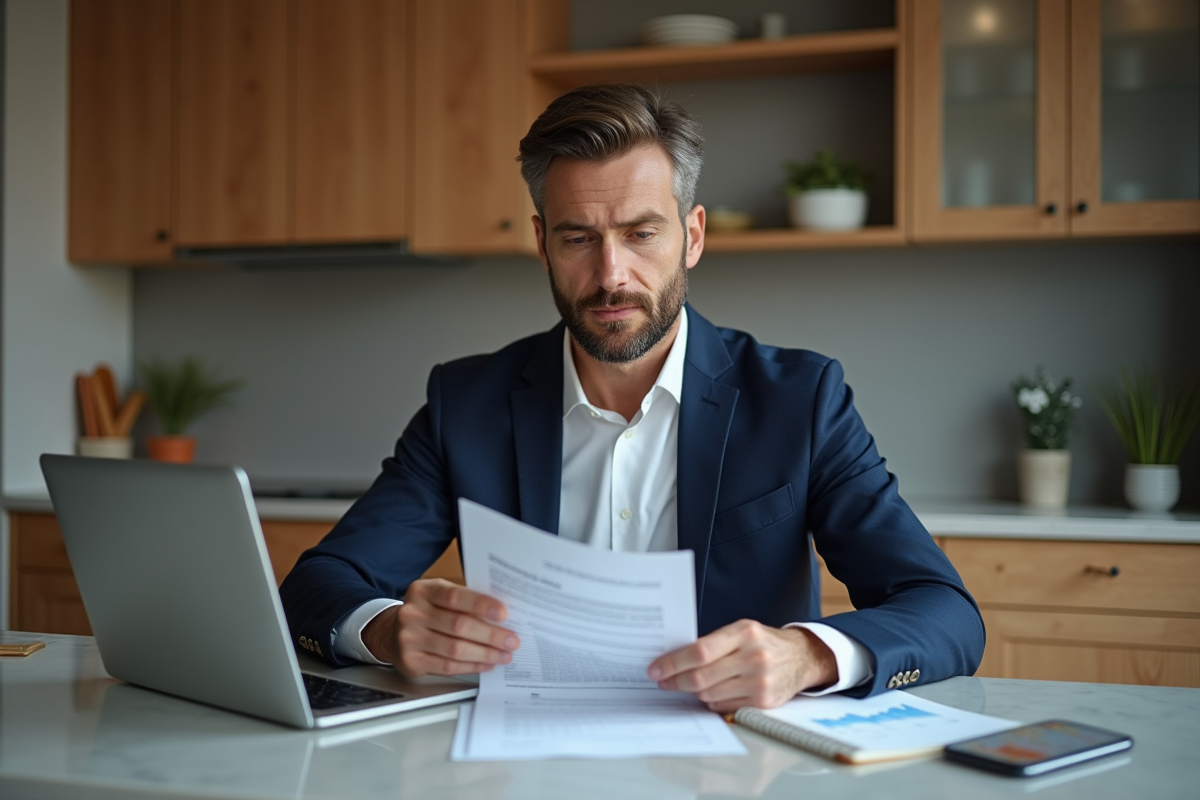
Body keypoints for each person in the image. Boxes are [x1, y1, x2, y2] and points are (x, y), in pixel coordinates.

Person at [281, 84, 984, 711]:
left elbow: (943, 612)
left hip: (738, 766)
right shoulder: (465, 402)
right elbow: (318, 586)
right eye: (578, 238)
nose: (610, 274)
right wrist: (386, 629)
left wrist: (806, 655)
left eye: (641, 234)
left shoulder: (800, 400)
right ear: (542, 242)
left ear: (693, 236)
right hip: (521, 764)